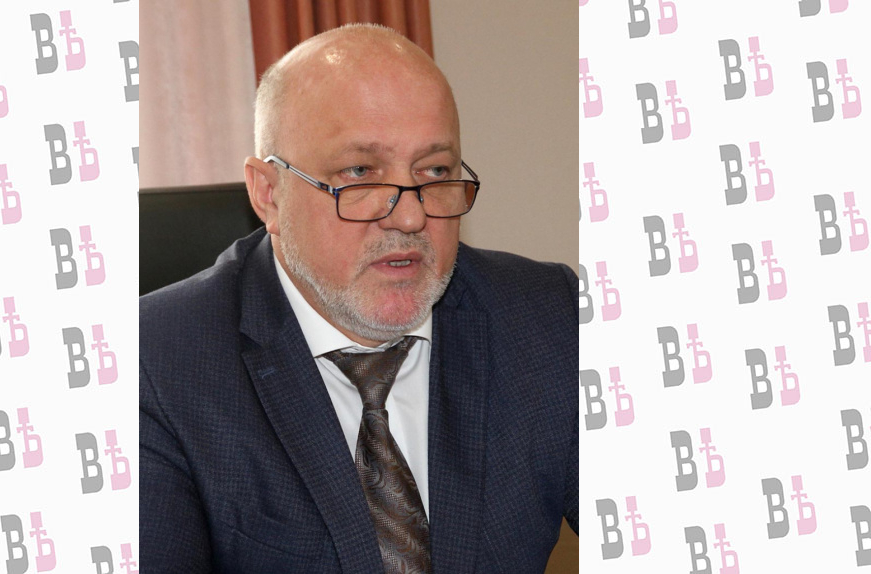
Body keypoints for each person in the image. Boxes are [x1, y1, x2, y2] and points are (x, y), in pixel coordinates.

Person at [140, 23, 577, 573]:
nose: (410, 216)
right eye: (361, 173)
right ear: (268, 194)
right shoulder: (157, 365)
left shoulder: (548, 317)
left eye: (435, 170)